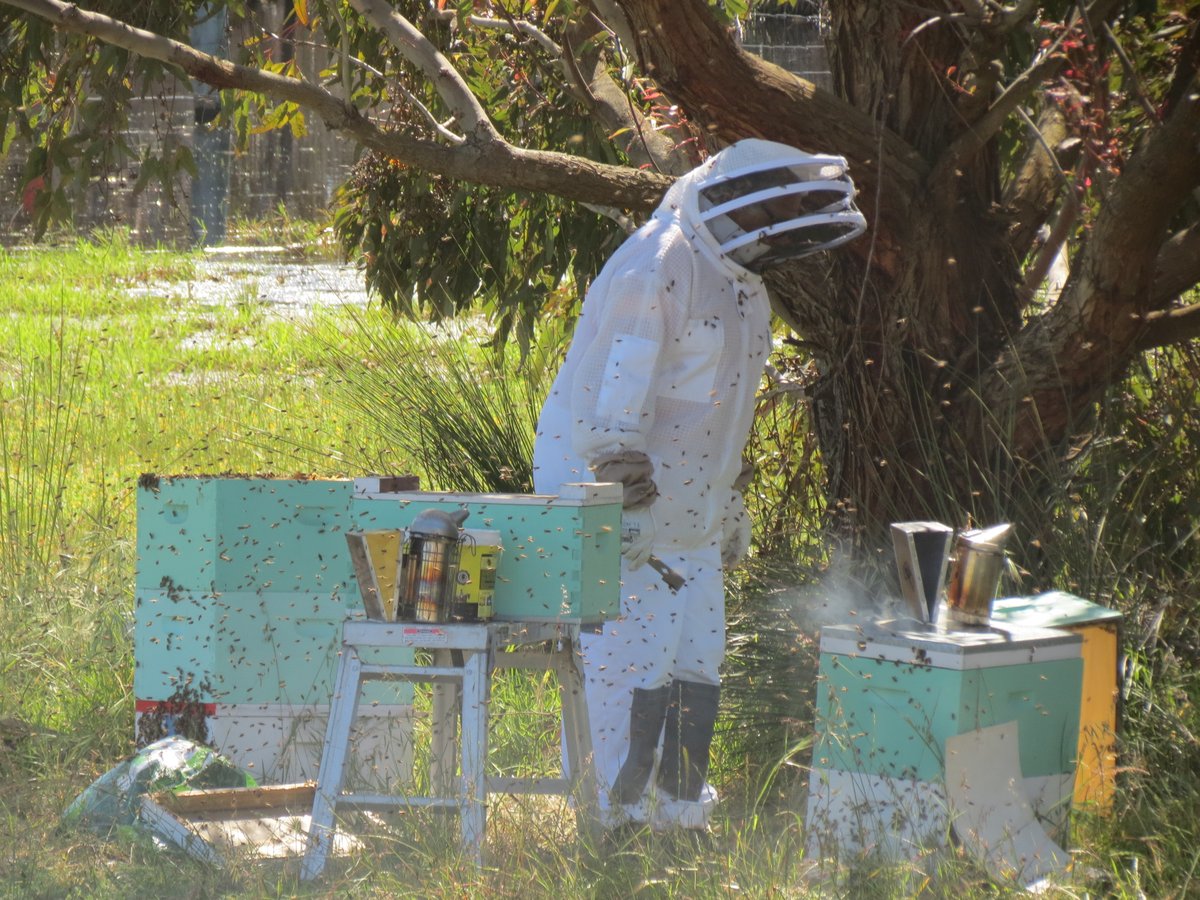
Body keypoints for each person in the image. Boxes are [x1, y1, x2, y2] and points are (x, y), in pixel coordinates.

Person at [532, 138, 866, 833]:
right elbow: (612, 394)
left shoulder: (744, 286)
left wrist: (729, 498)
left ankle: (679, 818)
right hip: (619, 501)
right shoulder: (659, 263)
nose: (781, 224)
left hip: (690, 512)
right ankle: (617, 825)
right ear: (738, 199)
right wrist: (620, 499)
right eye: (777, 208)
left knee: (694, 667)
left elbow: (724, 408)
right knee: (630, 667)